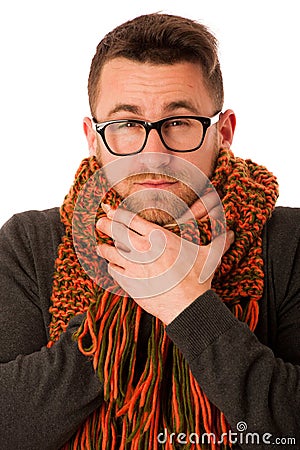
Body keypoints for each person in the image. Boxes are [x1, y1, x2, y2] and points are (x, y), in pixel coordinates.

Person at [0, 12, 299, 450]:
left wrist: (191, 307)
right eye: (126, 125)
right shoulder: (29, 243)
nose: (154, 154)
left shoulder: (289, 242)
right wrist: (144, 293)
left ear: (225, 132)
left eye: (179, 123)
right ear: (92, 136)